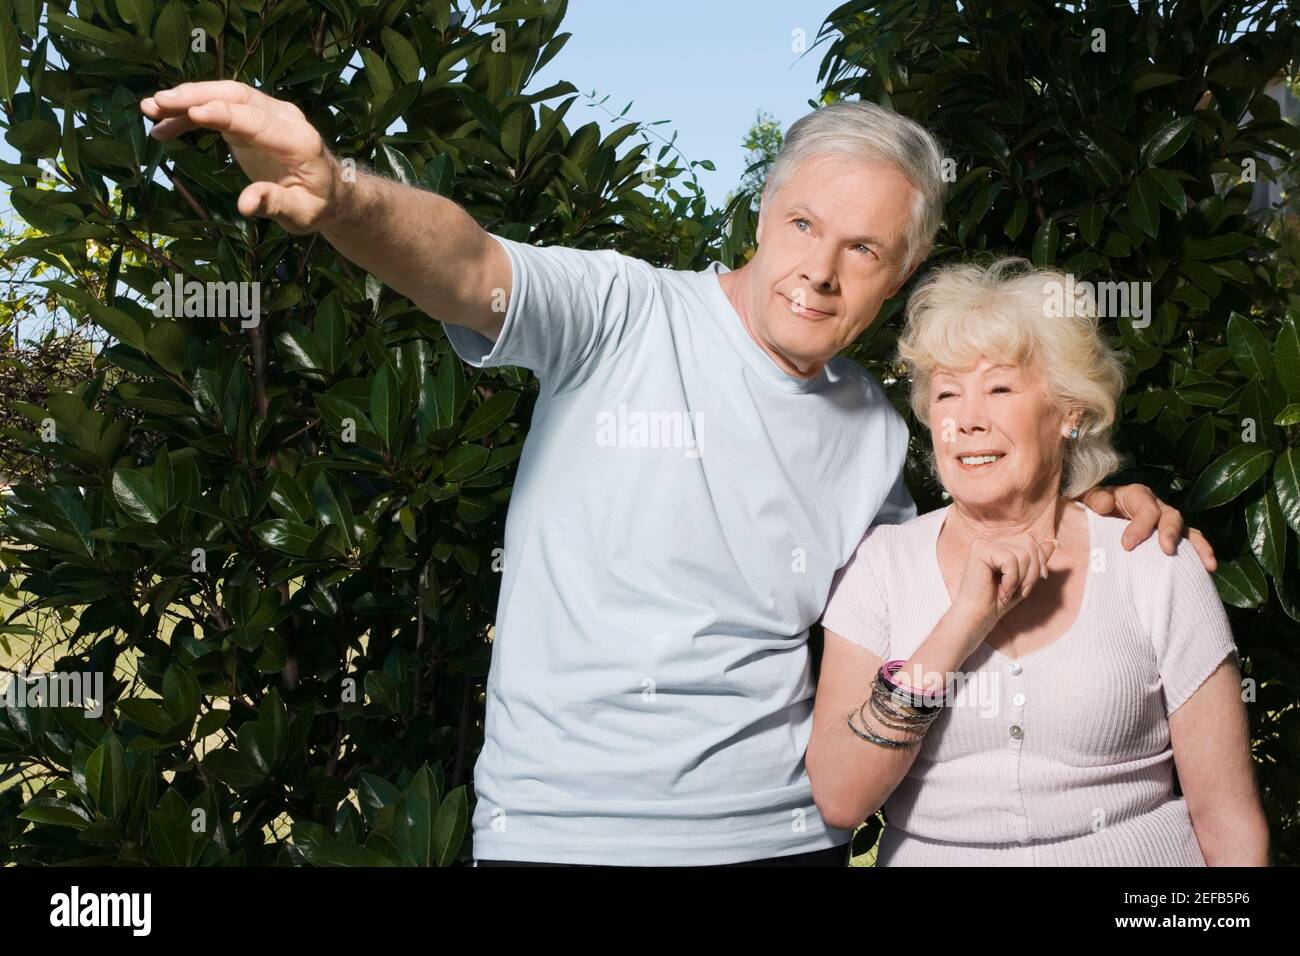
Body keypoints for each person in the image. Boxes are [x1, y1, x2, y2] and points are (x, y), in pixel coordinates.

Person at [139, 83, 1216, 866]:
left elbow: (955, 547)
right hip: (569, 838)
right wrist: (342, 198)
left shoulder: (877, 435)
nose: (820, 269)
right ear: (762, 209)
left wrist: (1090, 505)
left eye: (864, 249)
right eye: (803, 224)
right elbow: (466, 264)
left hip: (786, 837)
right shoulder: (618, 314)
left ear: (898, 275)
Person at [809, 259, 1269, 865]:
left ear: (1069, 412)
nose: (967, 418)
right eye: (947, 393)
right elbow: (841, 800)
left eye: (999, 388)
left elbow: (1229, 822)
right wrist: (962, 624)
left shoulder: (1152, 561)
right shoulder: (880, 565)